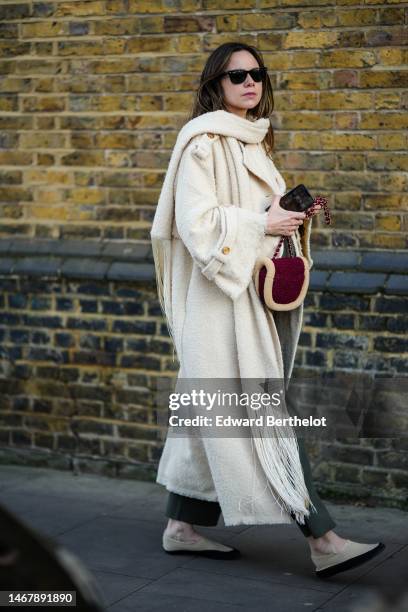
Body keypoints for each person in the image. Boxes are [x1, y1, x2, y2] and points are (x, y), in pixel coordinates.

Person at [150, 42, 384, 578]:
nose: (250, 83)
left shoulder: (253, 142)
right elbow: (198, 225)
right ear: (217, 85)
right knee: (263, 415)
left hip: (243, 298)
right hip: (218, 305)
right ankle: (324, 539)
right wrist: (263, 223)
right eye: (238, 76)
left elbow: (256, 215)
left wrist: (284, 218)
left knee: (209, 412)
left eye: (257, 74)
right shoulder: (204, 143)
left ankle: (181, 527)